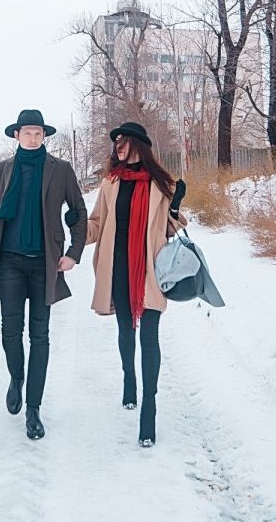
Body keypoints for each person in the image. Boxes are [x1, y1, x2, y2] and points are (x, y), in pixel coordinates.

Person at [0, 109, 87, 440]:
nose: (33, 138)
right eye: (27, 133)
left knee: (40, 335)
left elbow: (78, 212)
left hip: (43, 264)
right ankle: (17, 377)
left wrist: (73, 253)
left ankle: (33, 408)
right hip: (8, 261)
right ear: (17, 136)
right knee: (10, 332)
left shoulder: (61, 170)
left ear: (44, 136)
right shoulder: (4, 170)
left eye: (38, 133)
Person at [79, 121, 185, 447]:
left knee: (150, 337)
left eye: (123, 142)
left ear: (139, 144)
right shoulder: (111, 183)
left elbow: (170, 230)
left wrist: (177, 206)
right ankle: (129, 379)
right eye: (116, 144)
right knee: (127, 331)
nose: (118, 148)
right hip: (119, 269)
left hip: (150, 272)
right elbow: (96, 225)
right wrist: (74, 230)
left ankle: (149, 411)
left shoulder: (162, 185)